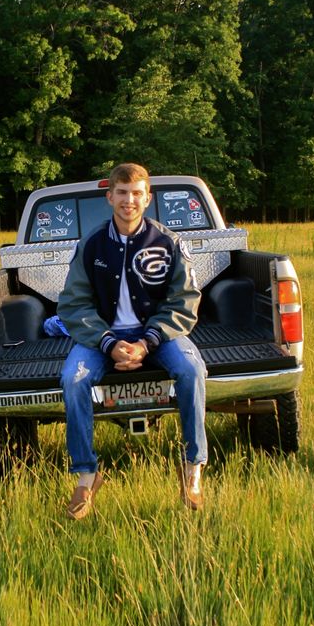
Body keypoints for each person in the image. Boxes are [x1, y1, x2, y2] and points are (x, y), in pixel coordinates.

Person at [57, 163, 208, 517]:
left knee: (191, 370)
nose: (129, 200)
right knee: (72, 379)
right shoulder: (91, 244)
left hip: (158, 335)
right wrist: (109, 343)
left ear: (148, 198)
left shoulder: (168, 242)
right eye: (122, 193)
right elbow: (73, 303)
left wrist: (147, 342)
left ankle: (192, 470)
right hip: (103, 338)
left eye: (137, 193)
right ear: (109, 196)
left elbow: (184, 300)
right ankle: (85, 477)